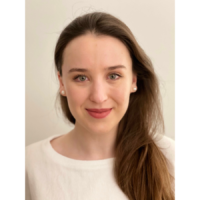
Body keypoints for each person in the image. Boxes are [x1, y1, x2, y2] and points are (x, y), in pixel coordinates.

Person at [26, 12, 175, 200]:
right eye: (81, 77)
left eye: (113, 76)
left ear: (133, 80)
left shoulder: (173, 159)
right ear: (62, 83)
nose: (98, 96)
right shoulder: (28, 165)